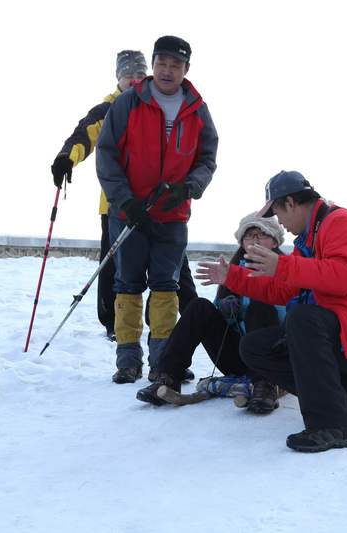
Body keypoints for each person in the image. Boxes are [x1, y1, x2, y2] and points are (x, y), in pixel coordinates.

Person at [196, 171, 347, 453]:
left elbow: (343, 276)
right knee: (255, 347)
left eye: (278, 213)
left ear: (292, 203)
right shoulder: (309, 239)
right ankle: (342, 394)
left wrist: (282, 267)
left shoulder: (341, 222)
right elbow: (283, 291)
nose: (278, 221)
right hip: (344, 330)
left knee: (303, 319)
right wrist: (232, 277)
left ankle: (332, 425)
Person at [50, 50, 197, 343]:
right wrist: (67, 157)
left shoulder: (160, 104)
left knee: (173, 270)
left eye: (140, 74)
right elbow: (83, 136)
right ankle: (114, 324)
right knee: (115, 269)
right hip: (118, 206)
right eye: (128, 74)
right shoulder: (107, 109)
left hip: (162, 206)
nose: (134, 79)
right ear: (118, 78)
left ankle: (176, 322)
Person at [96, 36, 218, 385]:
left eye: (175, 65)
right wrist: (124, 200)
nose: (168, 70)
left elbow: (207, 159)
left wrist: (188, 188)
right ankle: (128, 360)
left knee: (166, 288)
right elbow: (107, 154)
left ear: (186, 69)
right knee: (127, 285)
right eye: (162, 63)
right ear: (153, 64)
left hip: (173, 216)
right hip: (129, 214)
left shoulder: (196, 108)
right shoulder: (129, 103)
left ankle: (163, 359)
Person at [136, 212, 285, 413]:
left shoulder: (287, 268)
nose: (255, 239)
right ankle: (168, 376)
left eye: (262, 235)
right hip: (237, 354)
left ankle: (265, 386)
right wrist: (224, 308)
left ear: (275, 242)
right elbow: (216, 320)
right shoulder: (231, 270)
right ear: (242, 241)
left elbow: (292, 314)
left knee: (260, 306)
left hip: (273, 359)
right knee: (199, 307)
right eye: (250, 235)